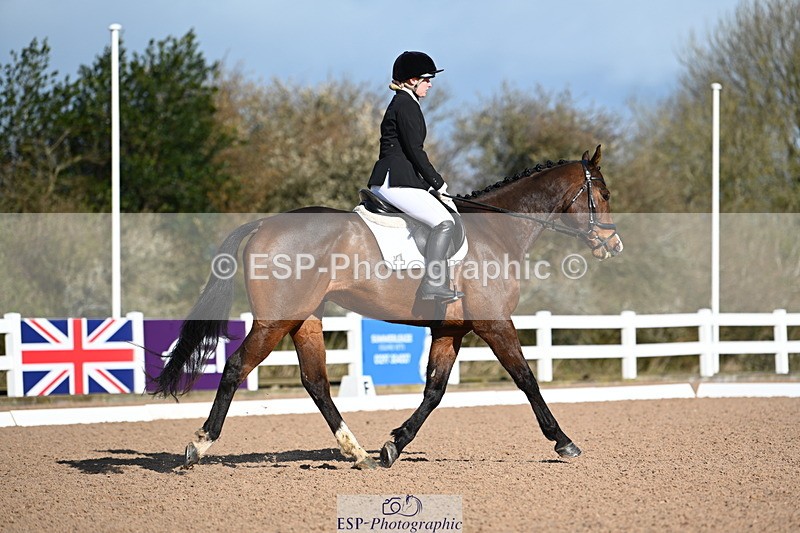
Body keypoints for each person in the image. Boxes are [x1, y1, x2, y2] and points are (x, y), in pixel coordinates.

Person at [367, 51, 463, 303]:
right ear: (412, 80)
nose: (430, 84)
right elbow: (414, 151)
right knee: (445, 222)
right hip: (395, 179)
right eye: (426, 79)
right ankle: (433, 284)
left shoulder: (403, 103)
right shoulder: (406, 105)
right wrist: (437, 182)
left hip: (396, 177)